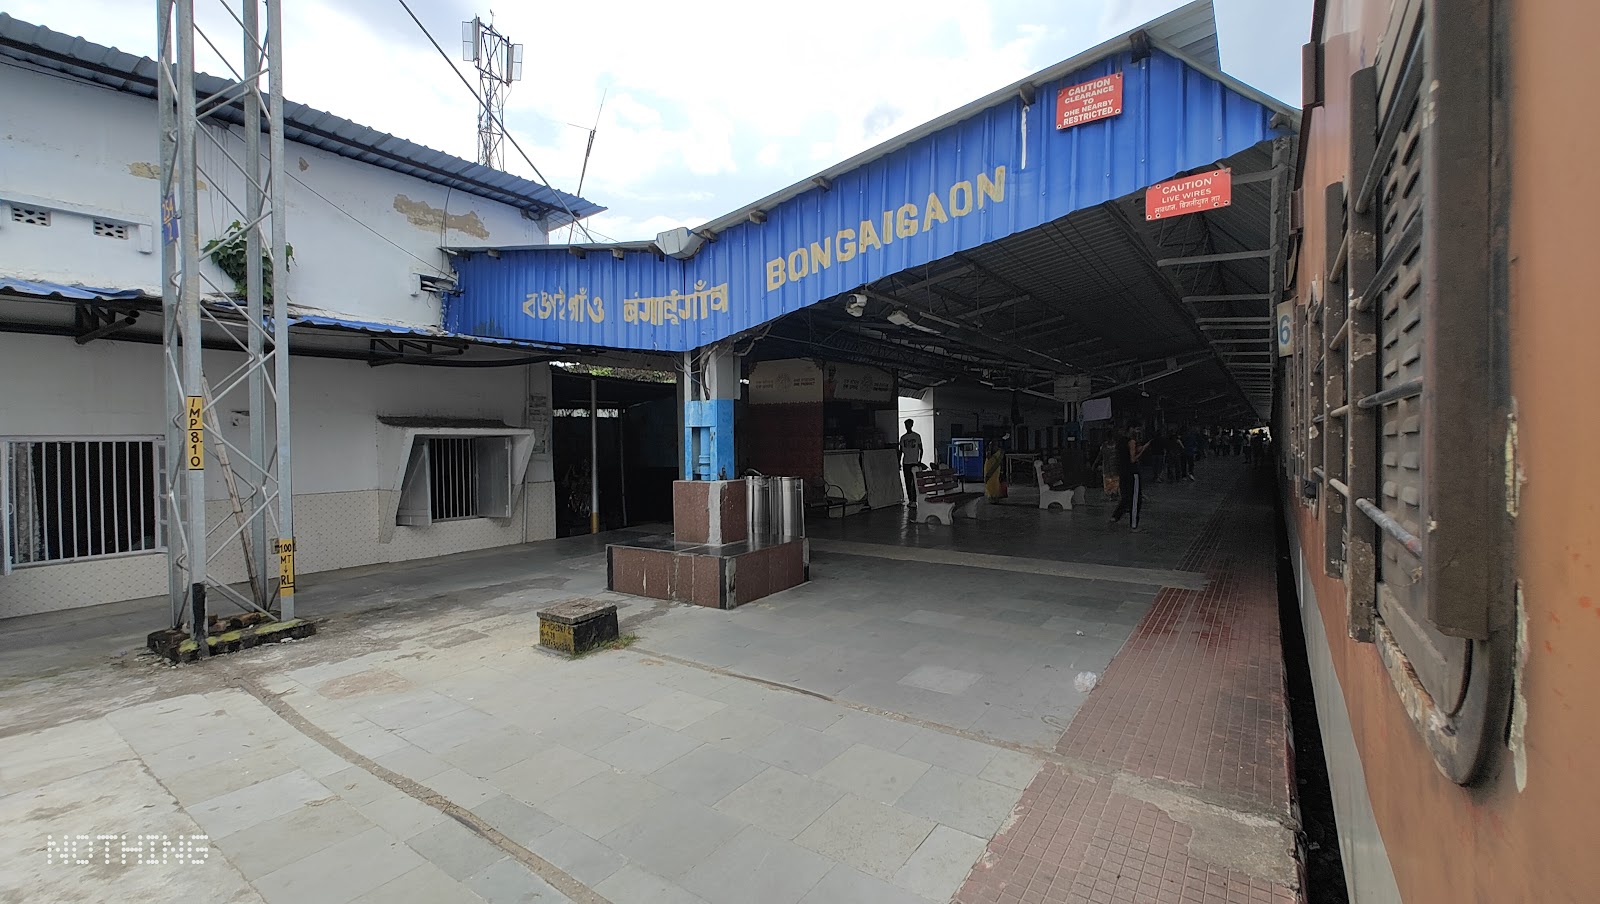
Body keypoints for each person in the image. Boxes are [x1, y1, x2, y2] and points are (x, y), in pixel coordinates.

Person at [1109, 427, 1150, 531]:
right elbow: (1133, 459)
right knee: (1135, 499)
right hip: (1133, 472)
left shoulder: (1120, 443)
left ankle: (1115, 516)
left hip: (1123, 472)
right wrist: (1142, 450)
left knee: (1126, 496)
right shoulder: (1131, 442)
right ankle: (1134, 525)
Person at [898, 419, 923, 508]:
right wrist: (899, 462)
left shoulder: (917, 436)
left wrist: (919, 461)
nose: (907, 427)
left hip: (914, 462)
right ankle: (910, 500)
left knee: (914, 482)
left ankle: (914, 500)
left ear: (911, 425)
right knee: (908, 482)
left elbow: (921, 449)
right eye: (906, 425)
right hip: (906, 462)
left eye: (908, 425)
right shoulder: (903, 438)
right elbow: (900, 451)